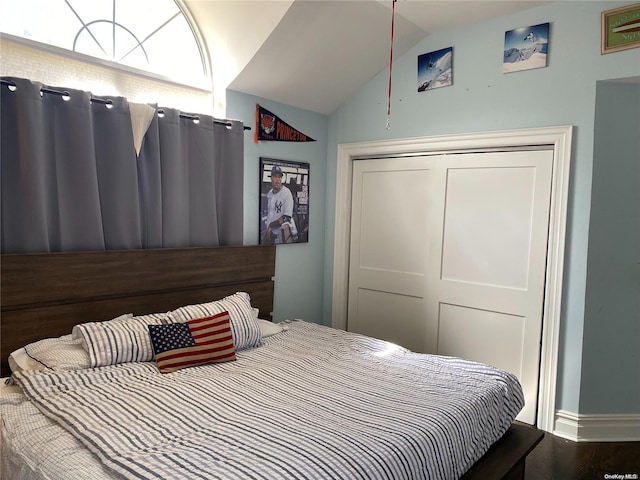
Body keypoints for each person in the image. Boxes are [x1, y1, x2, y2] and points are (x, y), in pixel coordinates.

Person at [262, 165, 297, 244]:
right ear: (271, 178)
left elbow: (287, 218)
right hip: (270, 234)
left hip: (282, 235)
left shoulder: (286, 193)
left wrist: (271, 225)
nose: (277, 180)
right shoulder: (269, 194)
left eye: (279, 177)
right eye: (275, 176)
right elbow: (269, 214)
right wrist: (267, 227)